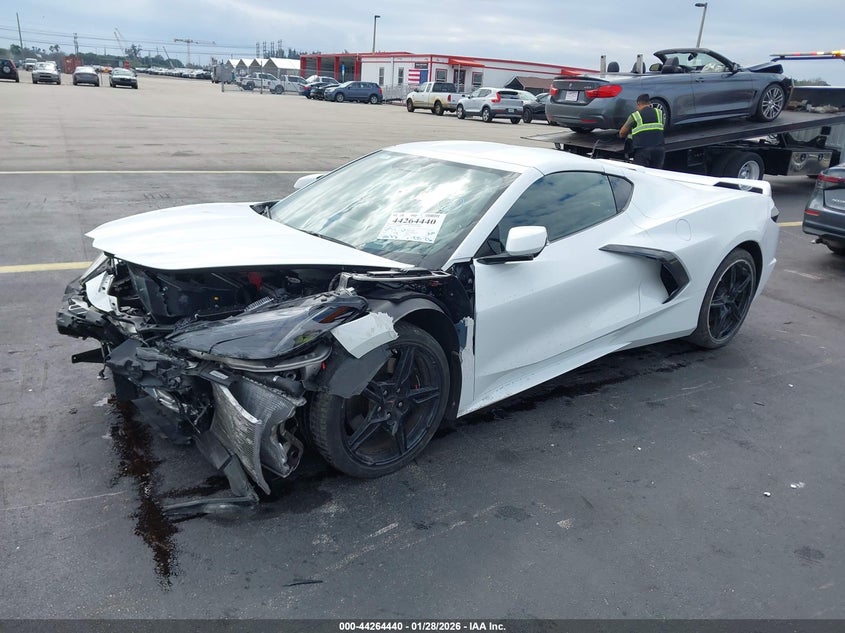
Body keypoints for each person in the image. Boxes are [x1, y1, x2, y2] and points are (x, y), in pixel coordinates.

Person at [618, 93, 665, 168]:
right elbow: (661, 127)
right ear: (649, 103)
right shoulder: (659, 113)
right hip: (659, 150)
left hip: (643, 150)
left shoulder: (635, 115)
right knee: (656, 174)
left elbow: (622, 133)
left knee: (641, 174)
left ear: (638, 104)